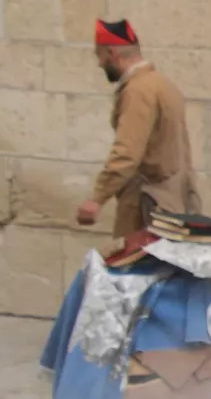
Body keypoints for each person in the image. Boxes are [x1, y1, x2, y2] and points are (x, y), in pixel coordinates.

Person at [76, 18, 201, 237]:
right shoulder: (163, 84)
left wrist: (97, 198)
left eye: (100, 56)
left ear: (112, 53)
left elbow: (126, 153)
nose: (99, 64)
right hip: (173, 205)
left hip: (149, 208)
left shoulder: (138, 91)